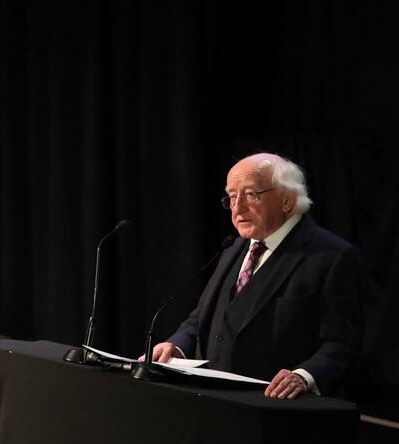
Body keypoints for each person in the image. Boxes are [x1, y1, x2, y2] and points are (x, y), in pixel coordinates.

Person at [148, 152, 364, 399]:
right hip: (211, 406)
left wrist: (304, 376)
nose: (237, 207)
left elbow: (341, 345)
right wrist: (176, 346)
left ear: (287, 200)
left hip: (280, 413)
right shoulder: (234, 248)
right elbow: (202, 318)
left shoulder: (333, 256)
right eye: (231, 197)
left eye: (251, 194)